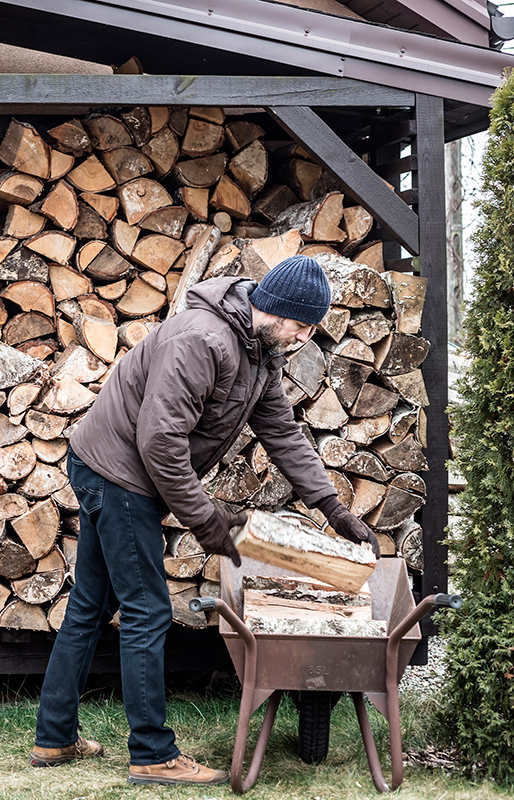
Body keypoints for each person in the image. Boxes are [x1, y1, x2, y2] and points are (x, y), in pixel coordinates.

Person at [30, 255, 380, 786]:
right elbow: (159, 442)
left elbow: (282, 433)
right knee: (146, 610)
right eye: (303, 324)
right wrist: (206, 521)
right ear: (277, 309)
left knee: (90, 605)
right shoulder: (202, 340)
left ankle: (54, 738)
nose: (306, 337)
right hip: (119, 474)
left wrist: (333, 507)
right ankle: (152, 754)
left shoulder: (261, 350)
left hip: (119, 468)